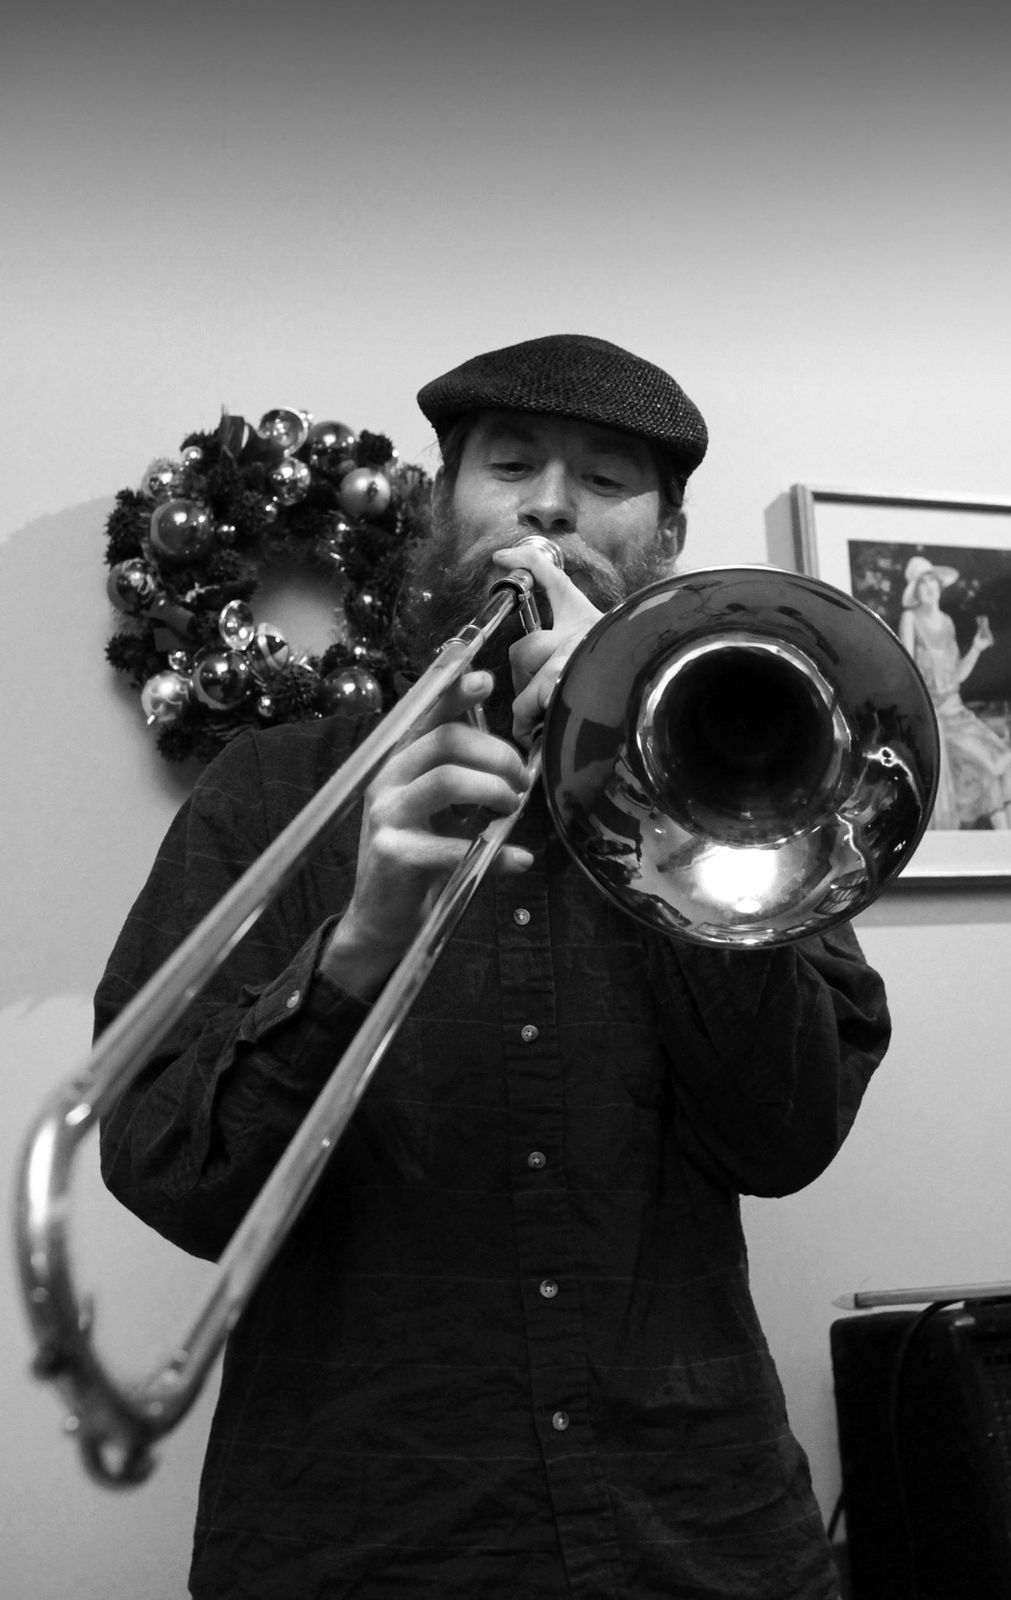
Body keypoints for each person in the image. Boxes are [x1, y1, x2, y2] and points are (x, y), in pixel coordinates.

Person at [97, 333, 891, 1600]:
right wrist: (355, 947)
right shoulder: (268, 789)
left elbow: (784, 1133)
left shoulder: (744, 806)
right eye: (510, 466)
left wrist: (646, 796)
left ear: (668, 539)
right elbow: (165, 1174)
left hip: (694, 1542)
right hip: (361, 1547)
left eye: (606, 479)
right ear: (440, 510)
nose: (551, 505)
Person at [897, 553, 1011, 829]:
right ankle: (1010, 845)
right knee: (988, 770)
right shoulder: (910, 619)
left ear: (939, 585)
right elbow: (908, 674)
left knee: (1005, 760)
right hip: (936, 718)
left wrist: (976, 648)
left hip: (959, 714)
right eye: (921, 583)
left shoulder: (947, 622)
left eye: (931, 580)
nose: (928, 587)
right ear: (915, 591)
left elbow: (957, 677)